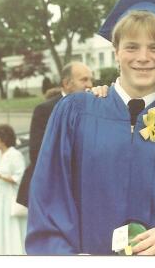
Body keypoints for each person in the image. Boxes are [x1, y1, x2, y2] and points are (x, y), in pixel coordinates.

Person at [25, 0, 155, 255]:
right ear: (116, 51)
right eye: (132, 46)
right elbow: (49, 197)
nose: (143, 57)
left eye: (154, 47)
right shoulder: (75, 112)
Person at [16, 61, 93, 207]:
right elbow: (37, 153)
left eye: (91, 79)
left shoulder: (95, 109)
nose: (90, 84)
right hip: (53, 191)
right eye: (84, 79)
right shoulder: (45, 110)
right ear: (66, 83)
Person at [0, 124, 27, 255]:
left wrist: (0, 176)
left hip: (10, 197)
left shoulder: (15, 154)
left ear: (4, 138)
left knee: (9, 228)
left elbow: (19, 178)